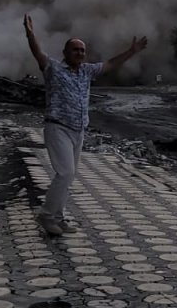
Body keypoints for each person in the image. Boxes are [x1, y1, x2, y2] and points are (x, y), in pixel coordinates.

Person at [22, 13, 148, 236]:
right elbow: (38, 54)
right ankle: (46, 215)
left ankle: (59, 218)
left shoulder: (87, 71)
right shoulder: (53, 68)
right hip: (58, 127)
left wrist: (132, 52)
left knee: (69, 175)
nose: (80, 53)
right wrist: (30, 34)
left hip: (78, 130)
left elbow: (110, 64)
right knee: (66, 173)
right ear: (65, 53)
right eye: (75, 49)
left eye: (82, 50)